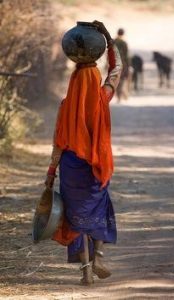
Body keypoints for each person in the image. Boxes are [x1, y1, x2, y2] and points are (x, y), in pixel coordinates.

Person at [45, 21, 122, 285]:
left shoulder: (66, 105)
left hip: (71, 167)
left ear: (73, 83)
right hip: (96, 165)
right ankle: (99, 254)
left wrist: (50, 173)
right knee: (99, 208)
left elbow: (58, 142)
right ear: (93, 81)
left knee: (76, 215)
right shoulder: (103, 97)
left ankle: (86, 270)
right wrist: (109, 40)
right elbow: (116, 71)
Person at [114, 28, 129, 102]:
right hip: (122, 63)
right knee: (122, 79)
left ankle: (117, 95)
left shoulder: (113, 42)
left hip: (113, 63)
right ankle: (119, 96)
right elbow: (126, 55)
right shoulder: (123, 43)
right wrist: (128, 65)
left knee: (114, 80)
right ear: (123, 34)